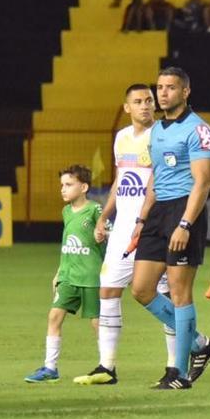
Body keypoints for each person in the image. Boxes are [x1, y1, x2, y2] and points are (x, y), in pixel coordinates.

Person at [129, 68, 210, 389]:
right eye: (160, 87)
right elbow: (155, 178)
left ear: (186, 91)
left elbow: (203, 181)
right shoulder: (155, 131)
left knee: (180, 293)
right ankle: (199, 343)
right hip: (158, 214)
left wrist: (185, 223)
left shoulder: (199, 130)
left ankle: (178, 373)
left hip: (185, 210)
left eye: (171, 87)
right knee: (141, 289)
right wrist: (141, 221)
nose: (163, 93)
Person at [76, 85, 174, 385]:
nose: (146, 105)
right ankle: (107, 367)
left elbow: (161, 183)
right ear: (127, 107)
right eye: (138, 101)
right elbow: (121, 181)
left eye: (149, 100)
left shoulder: (162, 136)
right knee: (107, 289)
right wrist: (104, 216)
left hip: (153, 226)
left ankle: (176, 364)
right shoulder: (121, 138)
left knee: (165, 292)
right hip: (122, 228)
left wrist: (146, 219)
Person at [24, 166, 102, 383]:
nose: (63, 190)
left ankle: (107, 364)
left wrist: (102, 238)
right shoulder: (66, 212)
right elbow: (67, 243)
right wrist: (59, 272)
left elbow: (108, 240)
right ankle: (50, 368)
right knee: (54, 316)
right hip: (68, 275)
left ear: (84, 187)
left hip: (91, 276)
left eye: (68, 185)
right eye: (62, 185)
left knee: (97, 323)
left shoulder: (96, 211)